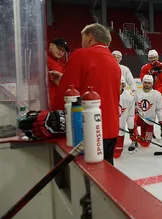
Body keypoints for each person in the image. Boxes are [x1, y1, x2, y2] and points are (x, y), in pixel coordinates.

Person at [53, 23, 121, 165]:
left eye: (82, 38)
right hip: (111, 129)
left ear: (90, 37)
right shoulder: (113, 62)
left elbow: (65, 94)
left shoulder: (81, 55)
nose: (81, 42)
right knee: (105, 175)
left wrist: (55, 120)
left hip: (87, 129)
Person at [129, 75, 162, 151]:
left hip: (149, 120)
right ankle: (134, 140)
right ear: (142, 83)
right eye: (145, 83)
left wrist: (161, 121)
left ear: (152, 84)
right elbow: (131, 107)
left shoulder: (157, 94)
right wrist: (134, 110)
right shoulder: (136, 93)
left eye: (149, 83)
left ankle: (140, 137)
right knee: (132, 120)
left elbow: (159, 110)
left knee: (145, 144)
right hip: (139, 117)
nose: (147, 85)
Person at [140, 49, 162, 123]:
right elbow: (143, 80)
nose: (153, 59)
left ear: (157, 57)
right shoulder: (145, 68)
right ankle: (148, 129)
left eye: (154, 57)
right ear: (148, 58)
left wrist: (160, 71)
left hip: (161, 93)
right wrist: (151, 74)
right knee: (148, 111)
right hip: (149, 93)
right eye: (151, 58)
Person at [114, 76, 136, 158]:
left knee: (116, 155)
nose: (117, 86)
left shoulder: (129, 98)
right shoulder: (106, 94)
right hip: (107, 132)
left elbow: (130, 115)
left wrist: (131, 128)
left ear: (123, 85)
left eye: (119, 84)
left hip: (120, 132)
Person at [47, 38, 68, 109]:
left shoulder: (58, 63)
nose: (61, 52)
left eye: (63, 51)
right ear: (51, 45)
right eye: (59, 48)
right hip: (49, 102)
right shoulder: (45, 60)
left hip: (55, 101)